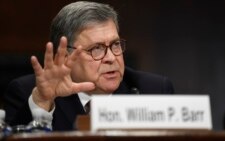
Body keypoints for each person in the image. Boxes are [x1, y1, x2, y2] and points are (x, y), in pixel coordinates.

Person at [3, 1, 174, 131]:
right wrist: (42, 102)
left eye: (115, 45)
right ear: (64, 56)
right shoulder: (28, 93)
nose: (111, 58)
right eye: (96, 49)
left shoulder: (153, 90)